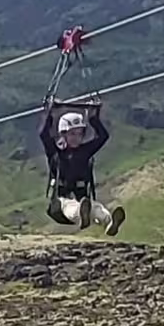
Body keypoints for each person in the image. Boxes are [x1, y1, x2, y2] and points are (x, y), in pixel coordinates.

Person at [40, 99, 124, 235]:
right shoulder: (55, 152)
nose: (76, 138)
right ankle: (81, 214)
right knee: (72, 206)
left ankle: (109, 223)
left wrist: (93, 117)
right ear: (63, 134)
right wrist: (50, 113)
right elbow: (44, 135)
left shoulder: (84, 151)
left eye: (79, 134)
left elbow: (103, 136)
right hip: (61, 203)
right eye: (72, 134)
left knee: (97, 208)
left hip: (83, 198)